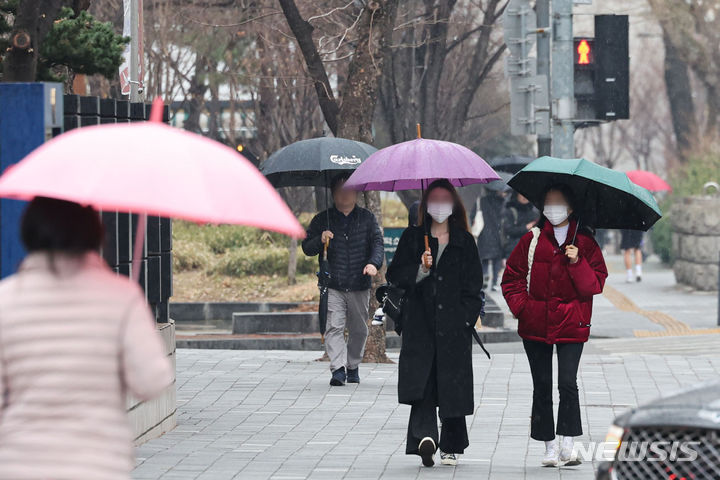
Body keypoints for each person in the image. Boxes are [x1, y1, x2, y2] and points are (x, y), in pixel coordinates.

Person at [0, 197, 173, 480]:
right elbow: (151, 382)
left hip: (20, 466)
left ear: (28, 233)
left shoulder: (5, 299)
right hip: (97, 465)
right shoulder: (120, 297)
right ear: (95, 233)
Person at [501, 184, 607, 467]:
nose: (552, 208)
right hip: (536, 324)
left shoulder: (585, 243)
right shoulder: (532, 240)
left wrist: (577, 261)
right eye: (548, 203)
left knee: (567, 383)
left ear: (571, 208)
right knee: (542, 385)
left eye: (558, 203)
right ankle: (548, 446)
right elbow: (511, 278)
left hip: (572, 323)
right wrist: (523, 309)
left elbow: (594, 285)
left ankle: (568, 444)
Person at [386, 179, 484, 468]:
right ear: (426, 204)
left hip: (454, 325)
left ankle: (451, 445)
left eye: (445, 198)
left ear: (453, 203)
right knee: (424, 382)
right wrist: (420, 269)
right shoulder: (413, 238)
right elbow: (395, 276)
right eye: (434, 198)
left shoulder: (464, 241)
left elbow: (474, 286)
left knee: (451, 383)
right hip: (420, 324)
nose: (439, 204)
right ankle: (425, 437)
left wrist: (466, 318)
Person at [302, 173, 384, 386]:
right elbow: (307, 248)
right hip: (333, 284)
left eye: (348, 189)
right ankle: (338, 369)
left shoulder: (367, 218)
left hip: (359, 283)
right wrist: (320, 240)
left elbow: (377, 243)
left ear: (356, 192)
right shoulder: (323, 219)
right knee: (334, 326)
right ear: (332, 193)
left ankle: (352, 365)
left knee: (359, 329)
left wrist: (373, 264)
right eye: (339, 189)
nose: (344, 194)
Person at [472, 189, 506, 291]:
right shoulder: (502, 201)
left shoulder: (481, 201)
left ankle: (484, 276)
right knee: (496, 260)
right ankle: (495, 282)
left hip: (484, 234)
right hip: (497, 234)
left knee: (484, 258)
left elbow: (472, 215)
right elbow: (504, 217)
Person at [502, 192, 539, 260]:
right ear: (517, 195)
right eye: (522, 194)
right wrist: (526, 228)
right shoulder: (511, 211)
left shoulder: (535, 213)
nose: (524, 197)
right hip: (513, 250)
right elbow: (509, 230)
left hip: (530, 252)